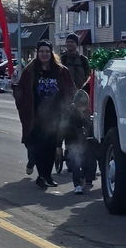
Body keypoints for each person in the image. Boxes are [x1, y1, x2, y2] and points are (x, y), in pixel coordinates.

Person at [17, 40, 75, 189]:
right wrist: (16, 89)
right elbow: (22, 92)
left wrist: (68, 107)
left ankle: (47, 176)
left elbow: (69, 90)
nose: (44, 54)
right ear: (37, 53)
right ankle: (42, 176)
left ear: (51, 53)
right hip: (36, 115)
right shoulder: (30, 71)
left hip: (55, 115)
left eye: (47, 52)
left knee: (51, 147)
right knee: (38, 147)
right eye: (41, 51)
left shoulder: (61, 71)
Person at [62, 89, 96, 194]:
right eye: (80, 106)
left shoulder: (88, 112)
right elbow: (65, 129)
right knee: (76, 163)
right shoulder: (69, 113)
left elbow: (90, 126)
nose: (82, 108)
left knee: (89, 161)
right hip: (73, 142)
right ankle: (77, 184)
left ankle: (88, 178)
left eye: (84, 106)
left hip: (86, 141)